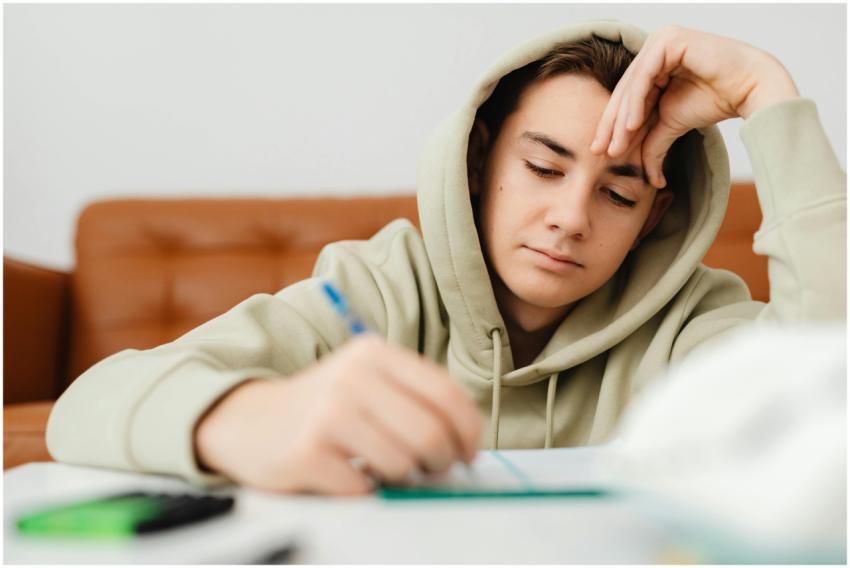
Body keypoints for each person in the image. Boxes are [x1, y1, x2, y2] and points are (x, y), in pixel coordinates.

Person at [46, 20, 846, 495]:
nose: (569, 218)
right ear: (480, 164)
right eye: (542, 167)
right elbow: (91, 405)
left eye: (618, 192)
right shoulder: (377, 284)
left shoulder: (694, 321)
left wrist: (769, 96)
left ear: (653, 216)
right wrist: (244, 419)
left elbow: (827, 401)